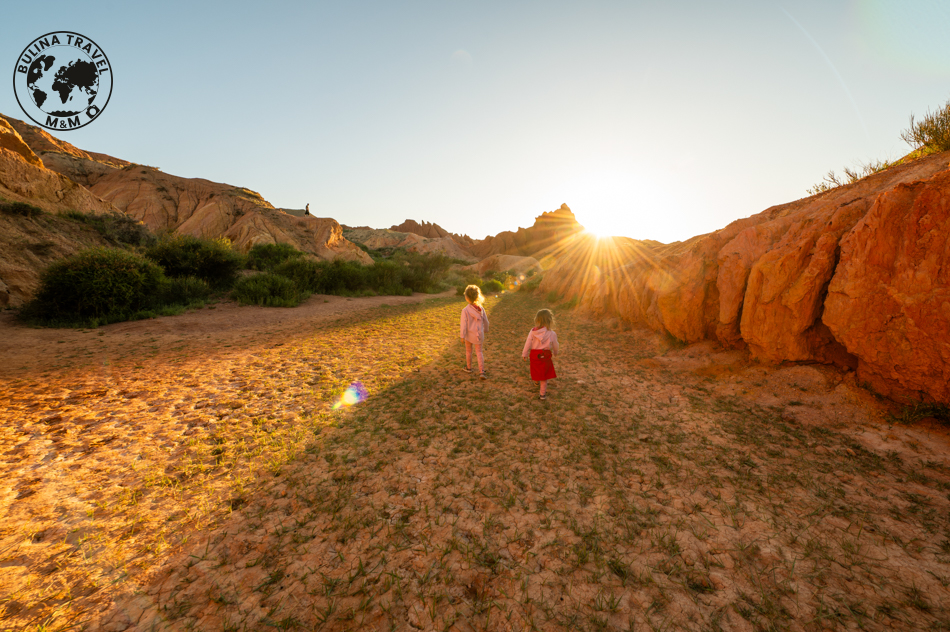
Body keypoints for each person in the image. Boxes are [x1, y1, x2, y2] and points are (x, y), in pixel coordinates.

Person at [522, 309, 559, 400]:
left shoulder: (532, 331)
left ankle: (536, 381)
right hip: (545, 355)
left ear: (537, 319)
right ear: (550, 320)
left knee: (536, 370)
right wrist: (555, 352)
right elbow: (555, 344)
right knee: (544, 376)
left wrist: (525, 353)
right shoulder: (552, 333)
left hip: (534, 355)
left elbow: (528, 342)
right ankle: (542, 394)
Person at [459, 285, 489, 379]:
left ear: (467, 297)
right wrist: (486, 330)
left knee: (468, 351)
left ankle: (469, 368)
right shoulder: (481, 309)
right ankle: (482, 372)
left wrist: (462, 336)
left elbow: (463, 325)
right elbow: (486, 321)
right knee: (479, 352)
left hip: (468, 336)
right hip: (479, 335)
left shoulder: (465, 310)